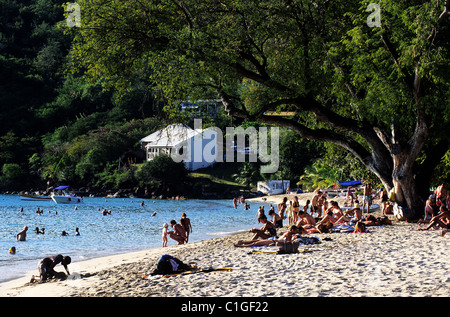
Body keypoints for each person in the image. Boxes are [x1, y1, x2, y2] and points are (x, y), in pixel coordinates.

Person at [235, 225, 302, 247]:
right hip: (272, 241)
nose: (296, 232)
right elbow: (287, 242)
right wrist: (293, 240)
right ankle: (241, 245)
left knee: (256, 241)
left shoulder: (288, 232)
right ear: (292, 230)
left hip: (273, 240)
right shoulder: (289, 234)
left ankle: (242, 242)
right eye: (296, 230)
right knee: (255, 243)